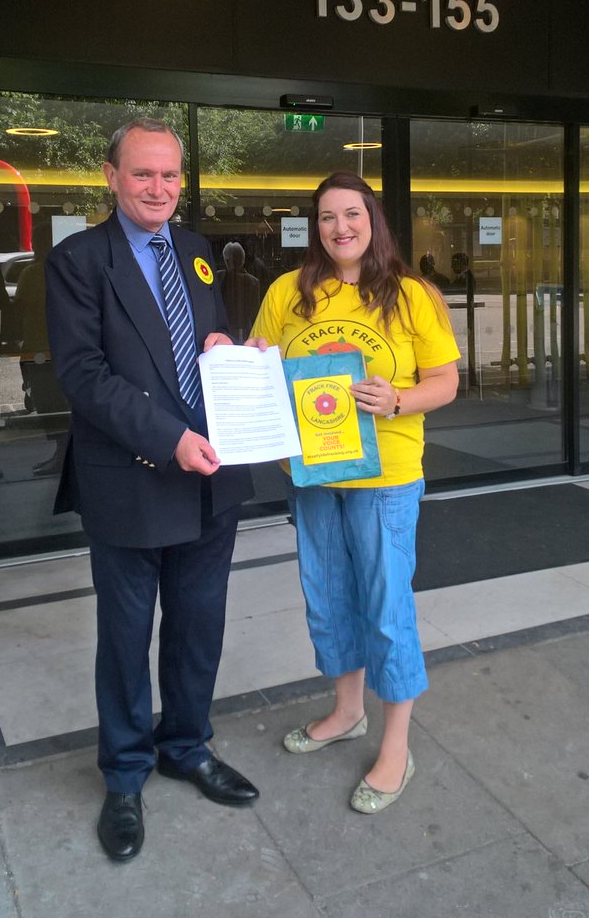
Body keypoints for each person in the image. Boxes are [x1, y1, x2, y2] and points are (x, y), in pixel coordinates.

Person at [45, 118, 259, 863]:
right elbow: (84, 375)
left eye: (170, 176)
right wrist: (169, 438)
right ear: (110, 177)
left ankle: (187, 747)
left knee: (199, 628)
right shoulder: (78, 261)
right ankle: (126, 774)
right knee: (126, 640)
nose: (160, 189)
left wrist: (232, 356)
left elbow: (206, 343)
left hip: (212, 481)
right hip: (132, 484)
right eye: (144, 175)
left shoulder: (197, 253)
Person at [250, 171, 459, 815]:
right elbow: (264, 363)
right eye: (327, 218)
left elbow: (445, 382)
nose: (340, 228)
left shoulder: (411, 294)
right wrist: (249, 357)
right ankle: (347, 711)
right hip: (313, 476)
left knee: (387, 608)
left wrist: (397, 398)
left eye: (352, 214)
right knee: (328, 598)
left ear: (373, 219)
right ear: (315, 229)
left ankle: (396, 742)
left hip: (387, 477)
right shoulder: (290, 291)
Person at [13, 221, 70, 476]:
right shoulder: (66, 273)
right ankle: (61, 457)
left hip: (39, 351)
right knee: (60, 407)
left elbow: (18, 308)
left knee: (52, 408)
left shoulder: (34, 273)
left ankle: (62, 457)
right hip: (58, 350)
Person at [216, 241, 260, 342]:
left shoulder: (252, 281)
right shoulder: (218, 277)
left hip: (243, 330)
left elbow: (254, 311)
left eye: (230, 260)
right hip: (225, 328)